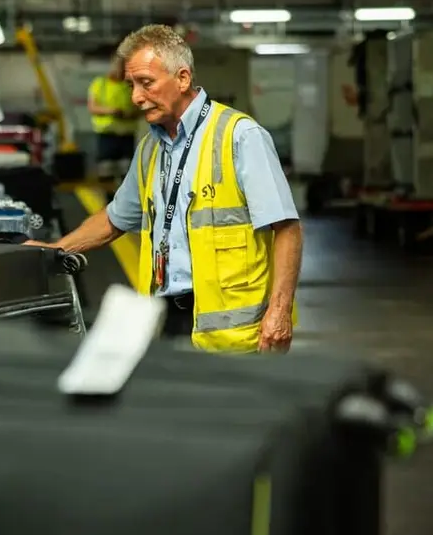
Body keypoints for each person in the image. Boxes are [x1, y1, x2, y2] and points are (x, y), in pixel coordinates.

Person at [34, 25, 303, 354]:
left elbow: (287, 228)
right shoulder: (149, 149)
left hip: (237, 335)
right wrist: (54, 251)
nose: (135, 97)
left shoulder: (239, 137)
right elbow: (115, 219)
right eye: (132, 85)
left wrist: (279, 312)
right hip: (167, 322)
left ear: (183, 78)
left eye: (146, 83)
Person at [87, 56, 139, 183]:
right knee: (106, 173)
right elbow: (93, 107)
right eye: (119, 66)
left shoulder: (131, 86)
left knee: (127, 174)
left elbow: (140, 108)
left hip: (126, 135)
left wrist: (131, 114)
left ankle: (126, 202)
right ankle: (108, 200)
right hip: (107, 135)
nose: (121, 70)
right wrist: (112, 111)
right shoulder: (100, 83)